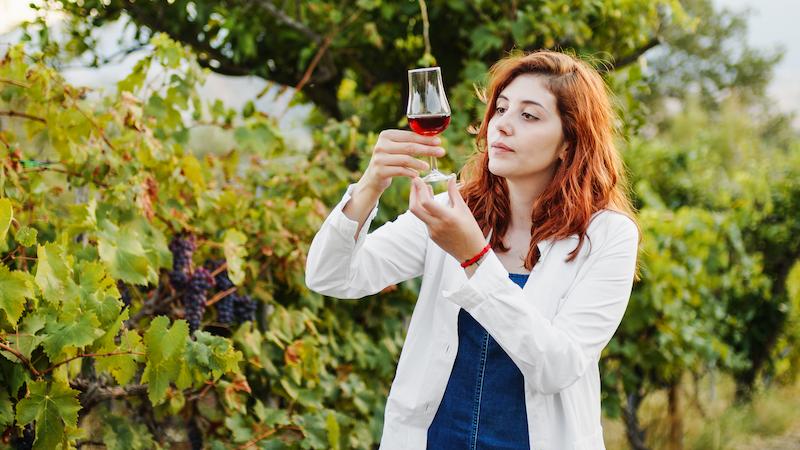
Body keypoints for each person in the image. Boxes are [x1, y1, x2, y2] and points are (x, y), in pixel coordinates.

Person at [305, 50, 640, 450]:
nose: (502, 125)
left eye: (528, 115)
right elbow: (332, 276)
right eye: (500, 109)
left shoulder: (607, 236)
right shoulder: (456, 209)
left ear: (569, 142)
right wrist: (369, 186)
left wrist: (473, 258)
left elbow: (556, 366)